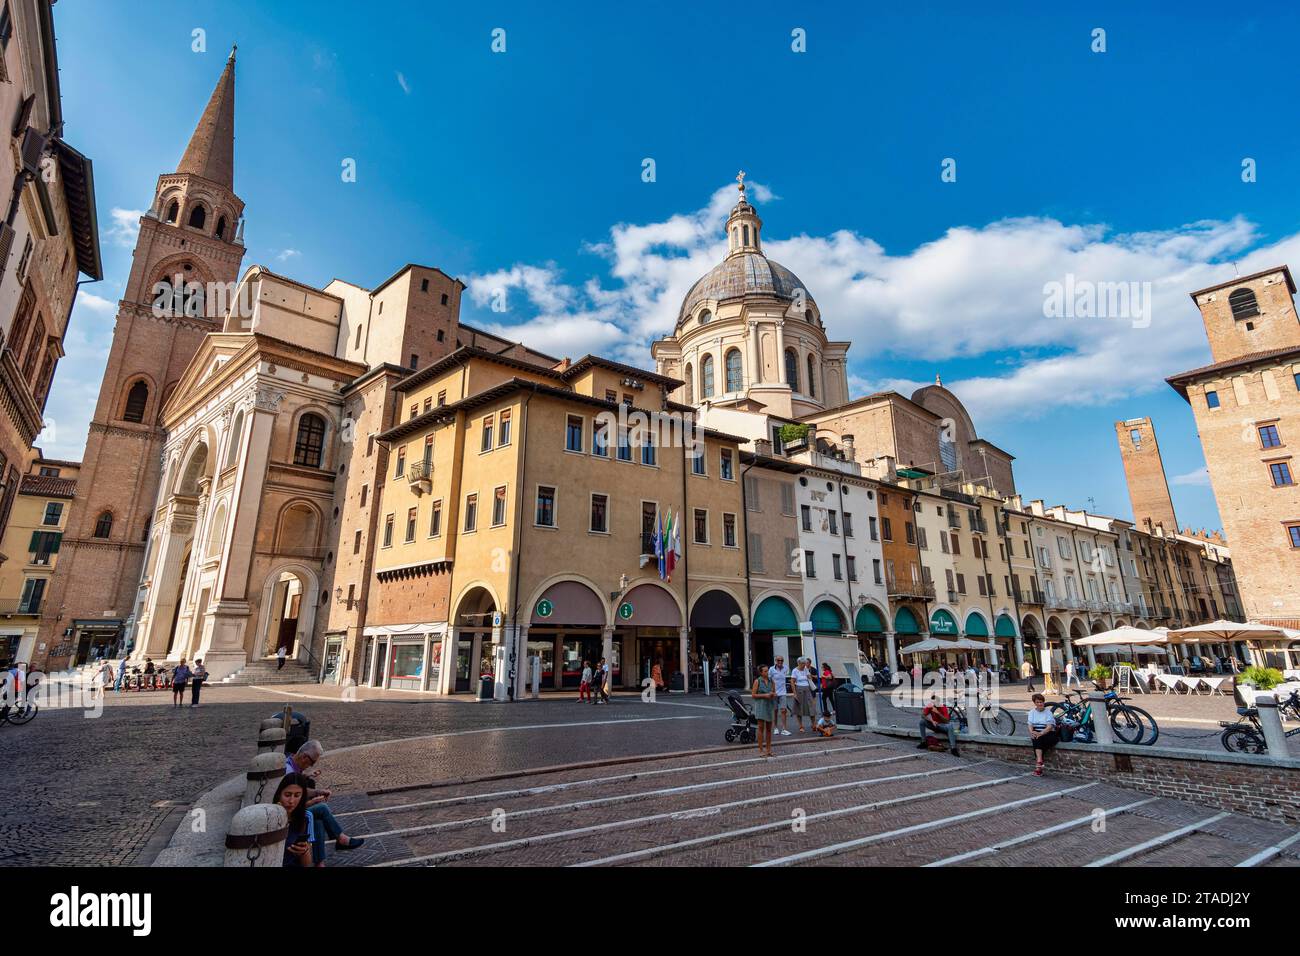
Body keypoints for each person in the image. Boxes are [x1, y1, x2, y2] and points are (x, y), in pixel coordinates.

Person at [285, 741, 365, 862]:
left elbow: (301, 790)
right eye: (312, 762)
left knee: (317, 820)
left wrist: (318, 791)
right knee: (322, 808)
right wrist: (313, 801)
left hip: (296, 811)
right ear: (304, 757)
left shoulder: (293, 765)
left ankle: (320, 863)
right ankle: (341, 839)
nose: (310, 766)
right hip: (289, 815)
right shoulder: (289, 771)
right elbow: (293, 804)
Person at [274, 772, 316, 867]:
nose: (291, 801)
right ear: (279, 794)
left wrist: (303, 852)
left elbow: (307, 864)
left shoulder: (306, 817)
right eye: (287, 795)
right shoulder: (269, 816)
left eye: (297, 795)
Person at [1027, 693, 1059, 776]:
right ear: (1035, 703)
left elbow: (1049, 727)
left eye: (1041, 702)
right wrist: (1032, 732)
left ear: (1043, 702)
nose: (1040, 704)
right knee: (1036, 738)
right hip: (1037, 731)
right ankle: (1039, 764)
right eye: (1037, 702)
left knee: (1038, 741)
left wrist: (1040, 733)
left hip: (1048, 732)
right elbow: (1030, 724)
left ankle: (1039, 765)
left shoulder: (1048, 712)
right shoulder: (1032, 712)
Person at [751, 664, 776, 757]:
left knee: (769, 729)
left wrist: (773, 694)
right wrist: (764, 695)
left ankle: (768, 749)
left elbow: (774, 692)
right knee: (761, 727)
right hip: (761, 706)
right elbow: (753, 695)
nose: (767, 672)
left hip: (769, 705)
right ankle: (761, 749)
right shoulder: (757, 681)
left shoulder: (771, 681)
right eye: (765, 671)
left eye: (767, 670)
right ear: (761, 672)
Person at [790, 658, 817, 733]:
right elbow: (792, 682)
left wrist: (809, 675)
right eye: (802, 664)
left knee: (811, 707)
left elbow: (810, 678)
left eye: (804, 663)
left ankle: (813, 724)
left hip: (807, 689)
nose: (804, 665)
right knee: (799, 708)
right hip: (799, 689)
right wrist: (794, 693)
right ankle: (801, 726)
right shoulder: (795, 670)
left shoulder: (805, 669)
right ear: (798, 663)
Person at [768, 655, 790, 736]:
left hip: (783, 692)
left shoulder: (785, 668)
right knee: (775, 711)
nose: (780, 662)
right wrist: (771, 691)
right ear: (775, 661)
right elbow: (769, 680)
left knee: (784, 710)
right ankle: (775, 728)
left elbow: (787, 678)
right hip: (774, 693)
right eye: (778, 660)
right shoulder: (771, 669)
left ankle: (784, 729)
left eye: (781, 660)